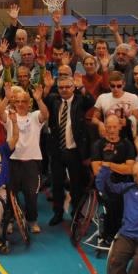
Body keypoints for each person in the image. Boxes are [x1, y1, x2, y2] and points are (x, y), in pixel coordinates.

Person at [45, 74, 95, 226]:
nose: (64, 90)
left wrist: (82, 87)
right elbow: (42, 101)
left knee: (76, 185)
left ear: (73, 87)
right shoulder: (53, 100)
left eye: (68, 87)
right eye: (61, 87)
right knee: (57, 184)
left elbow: (91, 101)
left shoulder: (80, 100)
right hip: (57, 150)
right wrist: (48, 87)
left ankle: (76, 213)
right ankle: (58, 213)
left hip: (75, 151)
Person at [4, 82, 49, 233]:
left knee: (31, 195)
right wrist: (6, 97)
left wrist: (39, 99)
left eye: (24, 101)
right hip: (13, 161)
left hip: (32, 162)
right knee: (11, 194)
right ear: (14, 103)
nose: (20, 104)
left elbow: (45, 115)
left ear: (29, 103)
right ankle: (10, 220)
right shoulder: (10, 115)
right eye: (17, 101)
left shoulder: (34, 116)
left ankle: (32, 221)